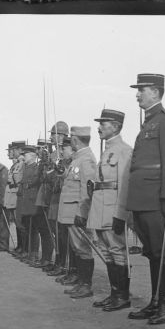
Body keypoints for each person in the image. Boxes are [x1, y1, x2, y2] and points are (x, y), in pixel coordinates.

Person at [126, 73, 165, 325]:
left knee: (163, 253)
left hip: (157, 199)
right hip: (142, 199)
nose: (138, 94)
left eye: (143, 89)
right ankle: (155, 302)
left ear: (157, 93)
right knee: (152, 253)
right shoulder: (148, 123)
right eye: (138, 90)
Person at [88, 109, 133, 311]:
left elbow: (125, 185)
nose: (99, 127)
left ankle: (123, 296)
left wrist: (121, 214)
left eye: (103, 124)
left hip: (112, 208)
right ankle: (114, 293)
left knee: (117, 250)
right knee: (106, 252)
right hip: (99, 207)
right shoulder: (107, 150)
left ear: (115, 126)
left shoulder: (124, 151)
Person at [59, 126, 97, 299]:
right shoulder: (78, 159)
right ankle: (81, 282)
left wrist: (83, 212)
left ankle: (86, 285)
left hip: (77, 212)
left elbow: (87, 189)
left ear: (75, 140)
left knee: (83, 248)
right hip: (70, 211)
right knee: (77, 248)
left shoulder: (86, 159)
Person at [53, 137, 79, 284]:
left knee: (74, 242)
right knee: (64, 238)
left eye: (64, 148)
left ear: (72, 148)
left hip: (74, 208)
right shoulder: (65, 163)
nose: (62, 151)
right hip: (64, 207)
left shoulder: (77, 163)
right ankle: (70, 270)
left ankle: (75, 272)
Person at [45, 122, 70, 275]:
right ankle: (58, 261)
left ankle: (64, 264)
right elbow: (47, 177)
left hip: (63, 195)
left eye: (53, 134)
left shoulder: (68, 153)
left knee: (63, 232)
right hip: (53, 196)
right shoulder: (53, 154)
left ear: (61, 135)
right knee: (55, 230)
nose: (50, 138)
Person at [30, 139, 55, 268]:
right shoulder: (41, 163)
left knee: (47, 230)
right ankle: (45, 257)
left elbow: (48, 178)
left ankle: (47, 259)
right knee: (42, 228)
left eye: (40, 149)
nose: (37, 151)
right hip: (41, 197)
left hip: (47, 197)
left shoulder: (51, 161)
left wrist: (46, 165)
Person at [18, 145, 41, 263]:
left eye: (25, 155)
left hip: (33, 203)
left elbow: (36, 183)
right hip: (25, 202)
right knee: (26, 228)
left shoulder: (36, 168)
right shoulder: (25, 167)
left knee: (33, 229)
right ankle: (27, 251)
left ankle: (34, 254)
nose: (23, 157)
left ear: (32, 156)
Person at [6, 141, 25, 254]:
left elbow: (17, 180)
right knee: (18, 223)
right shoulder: (16, 164)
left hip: (18, 195)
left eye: (13, 150)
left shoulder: (21, 163)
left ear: (19, 150)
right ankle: (20, 246)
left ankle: (22, 247)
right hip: (12, 196)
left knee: (20, 223)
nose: (11, 152)